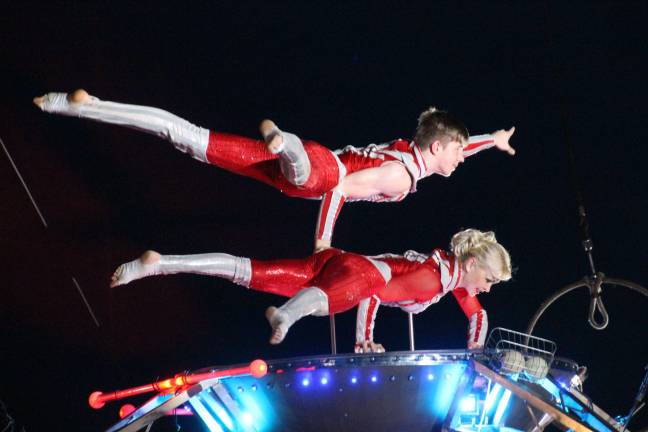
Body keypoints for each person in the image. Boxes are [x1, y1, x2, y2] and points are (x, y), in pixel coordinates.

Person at [33, 90, 516, 251]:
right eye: (457, 152)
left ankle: (85, 105)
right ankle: (282, 139)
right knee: (310, 171)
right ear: (436, 146)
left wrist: (489, 142)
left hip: (299, 170)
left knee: (189, 137)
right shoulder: (402, 178)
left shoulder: (412, 153)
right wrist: (322, 242)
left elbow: (453, 148)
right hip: (318, 172)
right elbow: (340, 189)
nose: (460, 159)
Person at [110, 229, 511, 350]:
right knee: (327, 302)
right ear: (472, 264)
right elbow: (374, 291)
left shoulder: (448, 275)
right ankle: (285, 314)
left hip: (337, 262)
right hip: (354, 272)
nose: (487, 289)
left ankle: (160, 264)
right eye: (490, 280)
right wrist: (365, 340)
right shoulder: (432, 279)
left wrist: (478, 354)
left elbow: (477, 313)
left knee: (250, 272)